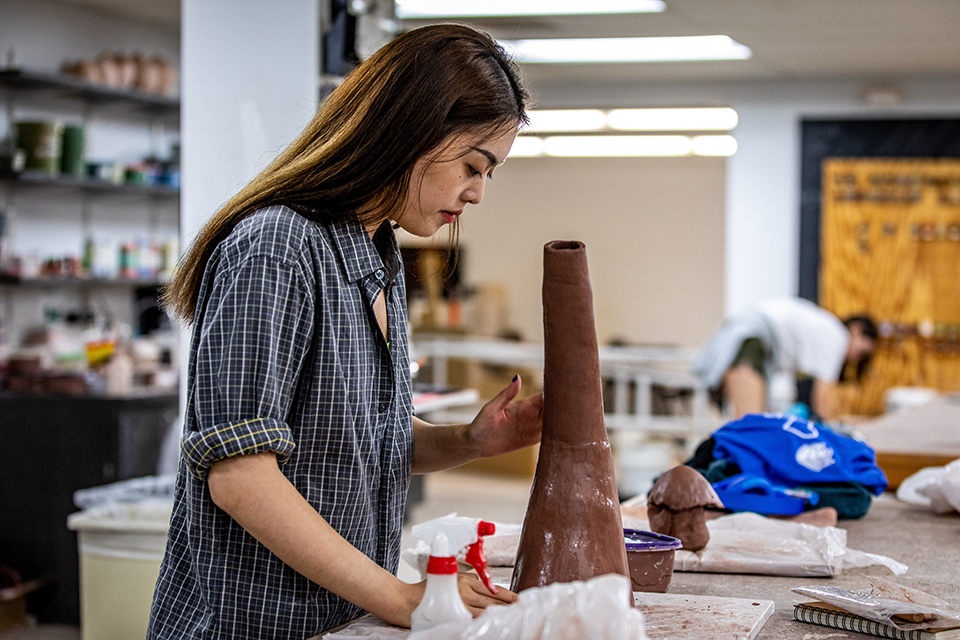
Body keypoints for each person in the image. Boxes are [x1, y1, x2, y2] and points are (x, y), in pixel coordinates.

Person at [148, 24, 543, 639]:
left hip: (335, 621)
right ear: (413, 127)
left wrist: (469, 440)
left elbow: (356, 437)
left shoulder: (377, 251)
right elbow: (241, 477)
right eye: (473, 165)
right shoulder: (276, 249)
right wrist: (405, 599)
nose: (477, 193)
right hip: (251, 625)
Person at [691, 297, 877, 421]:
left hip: (749, 338)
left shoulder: (824, 329)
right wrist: (826, 434)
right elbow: (822, 397)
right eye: (862, 353)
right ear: (855, 330)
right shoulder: (838, 337)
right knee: (750, 430)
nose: (856, 359)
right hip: (749, 340)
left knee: (748, 426)